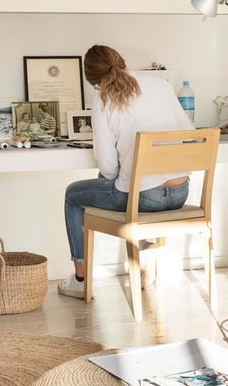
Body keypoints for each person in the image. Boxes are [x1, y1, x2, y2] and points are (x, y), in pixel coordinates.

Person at [59, 45, 192, 299]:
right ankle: (145, 245)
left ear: (92, 79)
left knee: (73, 196)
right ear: (121, 61)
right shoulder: (161, 85)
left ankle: (80, 280)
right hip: (180, 192)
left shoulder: (103, 99)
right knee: (126, 182)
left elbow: (107, 166)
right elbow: (188, 132)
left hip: (144, 198)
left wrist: (123, 171)